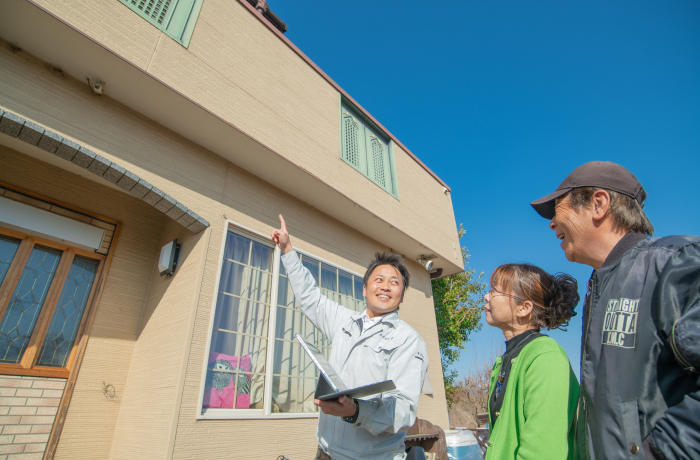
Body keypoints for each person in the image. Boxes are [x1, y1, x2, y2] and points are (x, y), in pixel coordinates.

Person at [530, 161, 700, 460]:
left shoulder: (677, 264)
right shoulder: (600, 289)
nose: (551, 223)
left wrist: (658, 452)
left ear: (598, 204)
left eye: (558, 208)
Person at [271, 215, 429, 460]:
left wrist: (356, 411)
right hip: (325, 451)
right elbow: (310, 298)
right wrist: (288, 250)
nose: (385, 286)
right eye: (379, 280)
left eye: (394, 282)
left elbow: (404, 411)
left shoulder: (408, 340)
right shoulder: (344, 321)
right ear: (365, 289)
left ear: (402, 296)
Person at [483, 263, 580, 460]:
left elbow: (543, 452)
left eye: (495, 290)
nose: (486, 296)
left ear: (524, 308)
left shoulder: (545, 357)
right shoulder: (507, 359)